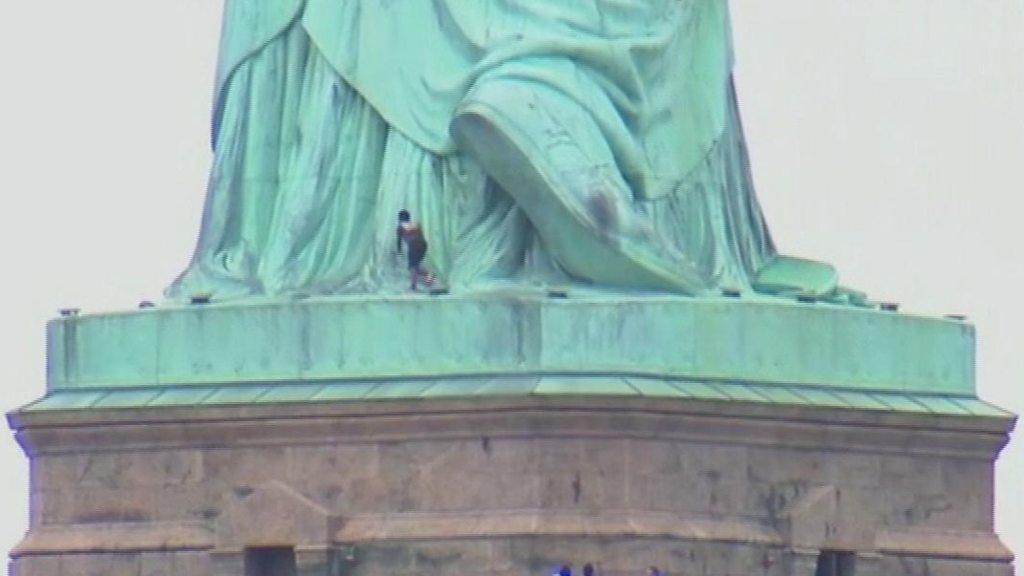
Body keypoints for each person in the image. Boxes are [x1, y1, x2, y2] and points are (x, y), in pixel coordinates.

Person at [396, 210, 434, 291]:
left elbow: (399, 241)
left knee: (413, 267)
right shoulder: (416, 224)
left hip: (413, 245)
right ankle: (428, 275)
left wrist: (399, 251)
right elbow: (421, 236)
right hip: (423, 244)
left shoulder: (400, 226)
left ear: (400, 218)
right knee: (415, 266)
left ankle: (413, 287)